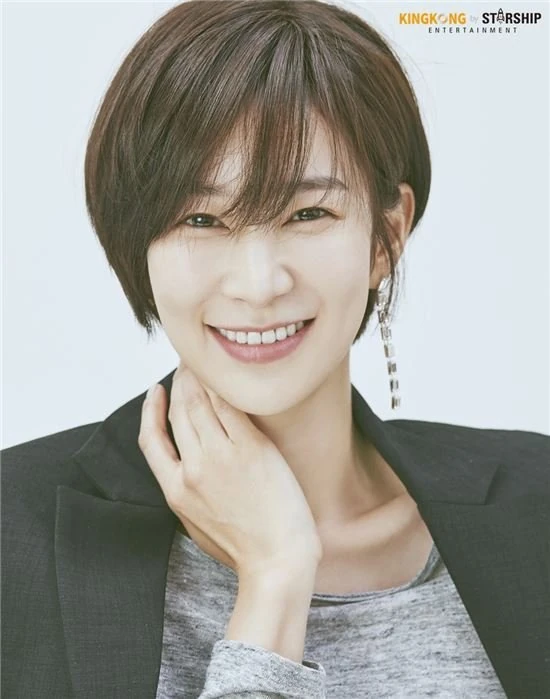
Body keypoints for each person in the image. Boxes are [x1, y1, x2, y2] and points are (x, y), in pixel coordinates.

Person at [2, 1, 548, 697]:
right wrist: (274, 576)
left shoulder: (537, 505)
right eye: (201, 218)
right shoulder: (14, 533)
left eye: (308, 213)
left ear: (387, 236)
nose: (259, 284)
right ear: (139, 242)